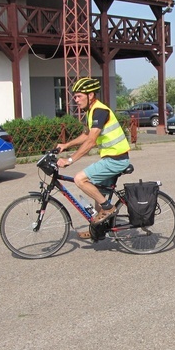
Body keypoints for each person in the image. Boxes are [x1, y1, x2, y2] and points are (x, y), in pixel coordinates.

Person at [55, 77, 131, 238]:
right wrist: (66, 145)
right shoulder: (92, 111)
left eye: (78, 96)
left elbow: (91, 141)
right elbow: (86, 134)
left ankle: (108, 209)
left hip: (116, 159)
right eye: (74, 96)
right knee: (98, 192)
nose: (75, 99)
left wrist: (70, 160)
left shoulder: (100, 111)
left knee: (80, 179)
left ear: (90, 95)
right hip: (110, 158)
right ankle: (99, 227)